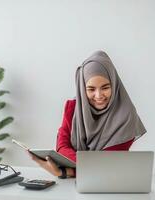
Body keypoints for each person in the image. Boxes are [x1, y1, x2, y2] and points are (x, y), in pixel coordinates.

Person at [29, 50, 146, 178]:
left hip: (109, 182)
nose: (99, 95)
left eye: (105, 87)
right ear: (82, 89)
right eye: (91, 89)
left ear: (114, 84)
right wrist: (82, 167)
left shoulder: (126, 117)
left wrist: (65, 171)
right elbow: (62, 147)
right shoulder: (73, 107)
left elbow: (106, 166)